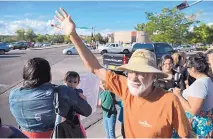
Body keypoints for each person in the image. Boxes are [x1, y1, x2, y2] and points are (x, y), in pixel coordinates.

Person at [52, 8, 191, 138]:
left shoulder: (169, 101)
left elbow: (186, 135)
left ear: (154, 76)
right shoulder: (126, 88)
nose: (134, 77)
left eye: (142, 73)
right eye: (131, 71)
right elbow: (95, 67)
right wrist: (73, 35)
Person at [9, 57, 92, 138]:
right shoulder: (62, 91)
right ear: (48, 74)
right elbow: (87, 111)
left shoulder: (13, 94)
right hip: (56, 135)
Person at [173, 52, 213, 138]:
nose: (187, 70)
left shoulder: (200, 84)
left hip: (198, 128)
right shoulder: (207, 80)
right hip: (206, 125)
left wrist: (178, 95)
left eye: (188, 67)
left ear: (193, 69)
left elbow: (193, 111)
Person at [63, 71, 87, 137]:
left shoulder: (78, 92)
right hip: (64, 116)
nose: (72, 84)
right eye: (70, 81)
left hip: (75, 114)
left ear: (78, 83)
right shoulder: (63, 91)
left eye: (75, 82)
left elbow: (85, 101)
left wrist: (83, 98)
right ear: (65, 81)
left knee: (78, 127)